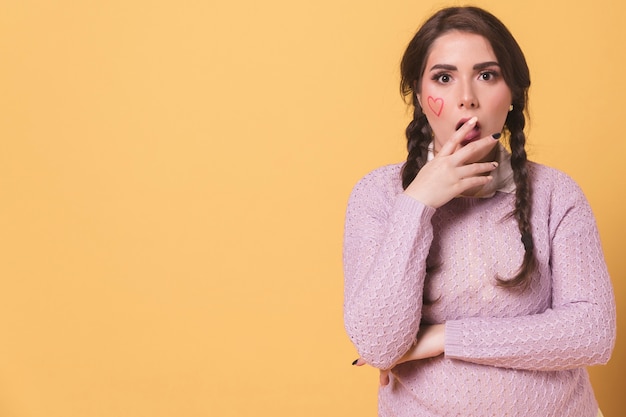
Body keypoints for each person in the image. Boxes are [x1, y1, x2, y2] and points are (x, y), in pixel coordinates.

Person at [342, 6, 616, 417]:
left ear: (513, 95)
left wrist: (441, 338)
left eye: (487, 75)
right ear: (418, 96)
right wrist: (418, 203)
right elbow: (378, 345)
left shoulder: (557, 194)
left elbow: (593, 334)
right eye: (443, 78)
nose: (466, 97)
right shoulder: (378, 196)